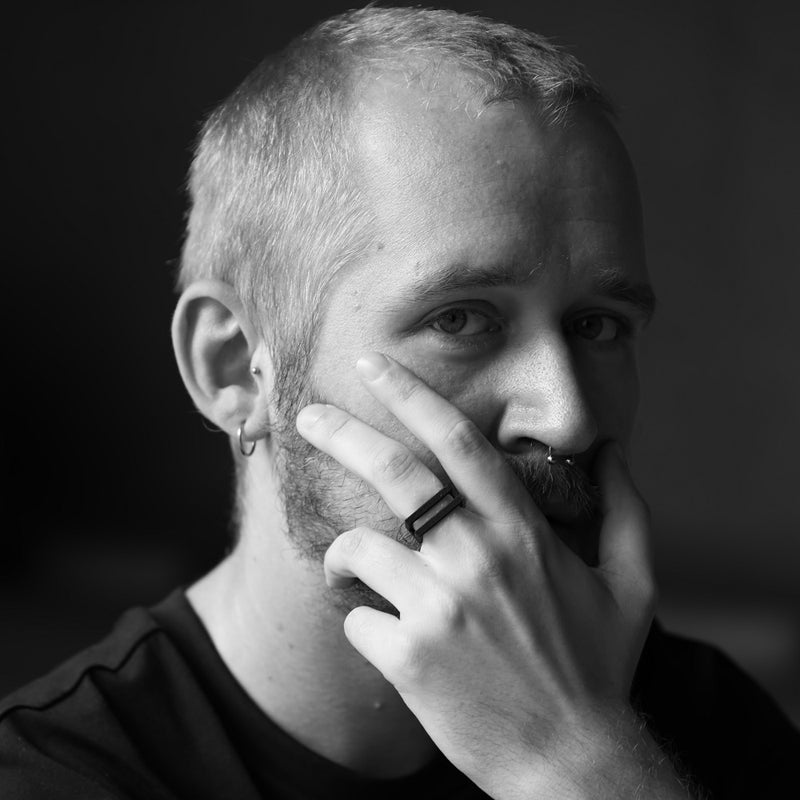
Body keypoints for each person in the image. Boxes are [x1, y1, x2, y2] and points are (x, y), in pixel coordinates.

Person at [1, 6, 797, 799]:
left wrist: (575, 759)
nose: (567, 417)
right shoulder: (54, 778)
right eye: (460, 320)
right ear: (235, 368)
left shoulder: (701, 726)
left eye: (598, 325)